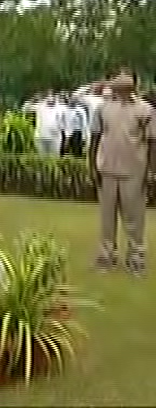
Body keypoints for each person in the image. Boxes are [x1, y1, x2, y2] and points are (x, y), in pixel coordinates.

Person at [89, 72, 156, 275]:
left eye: (125, 76)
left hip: (134, 171)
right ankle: (106, 256)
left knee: (134, 218)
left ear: (134, 84)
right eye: (118, 77)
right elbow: (95, 138)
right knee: (107, 218)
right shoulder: (103, 108)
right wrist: (92, 166)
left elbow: (153, 142)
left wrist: (152, 172)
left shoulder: (145, 110)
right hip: (107, 169)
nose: (120, 79)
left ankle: (136, 258)